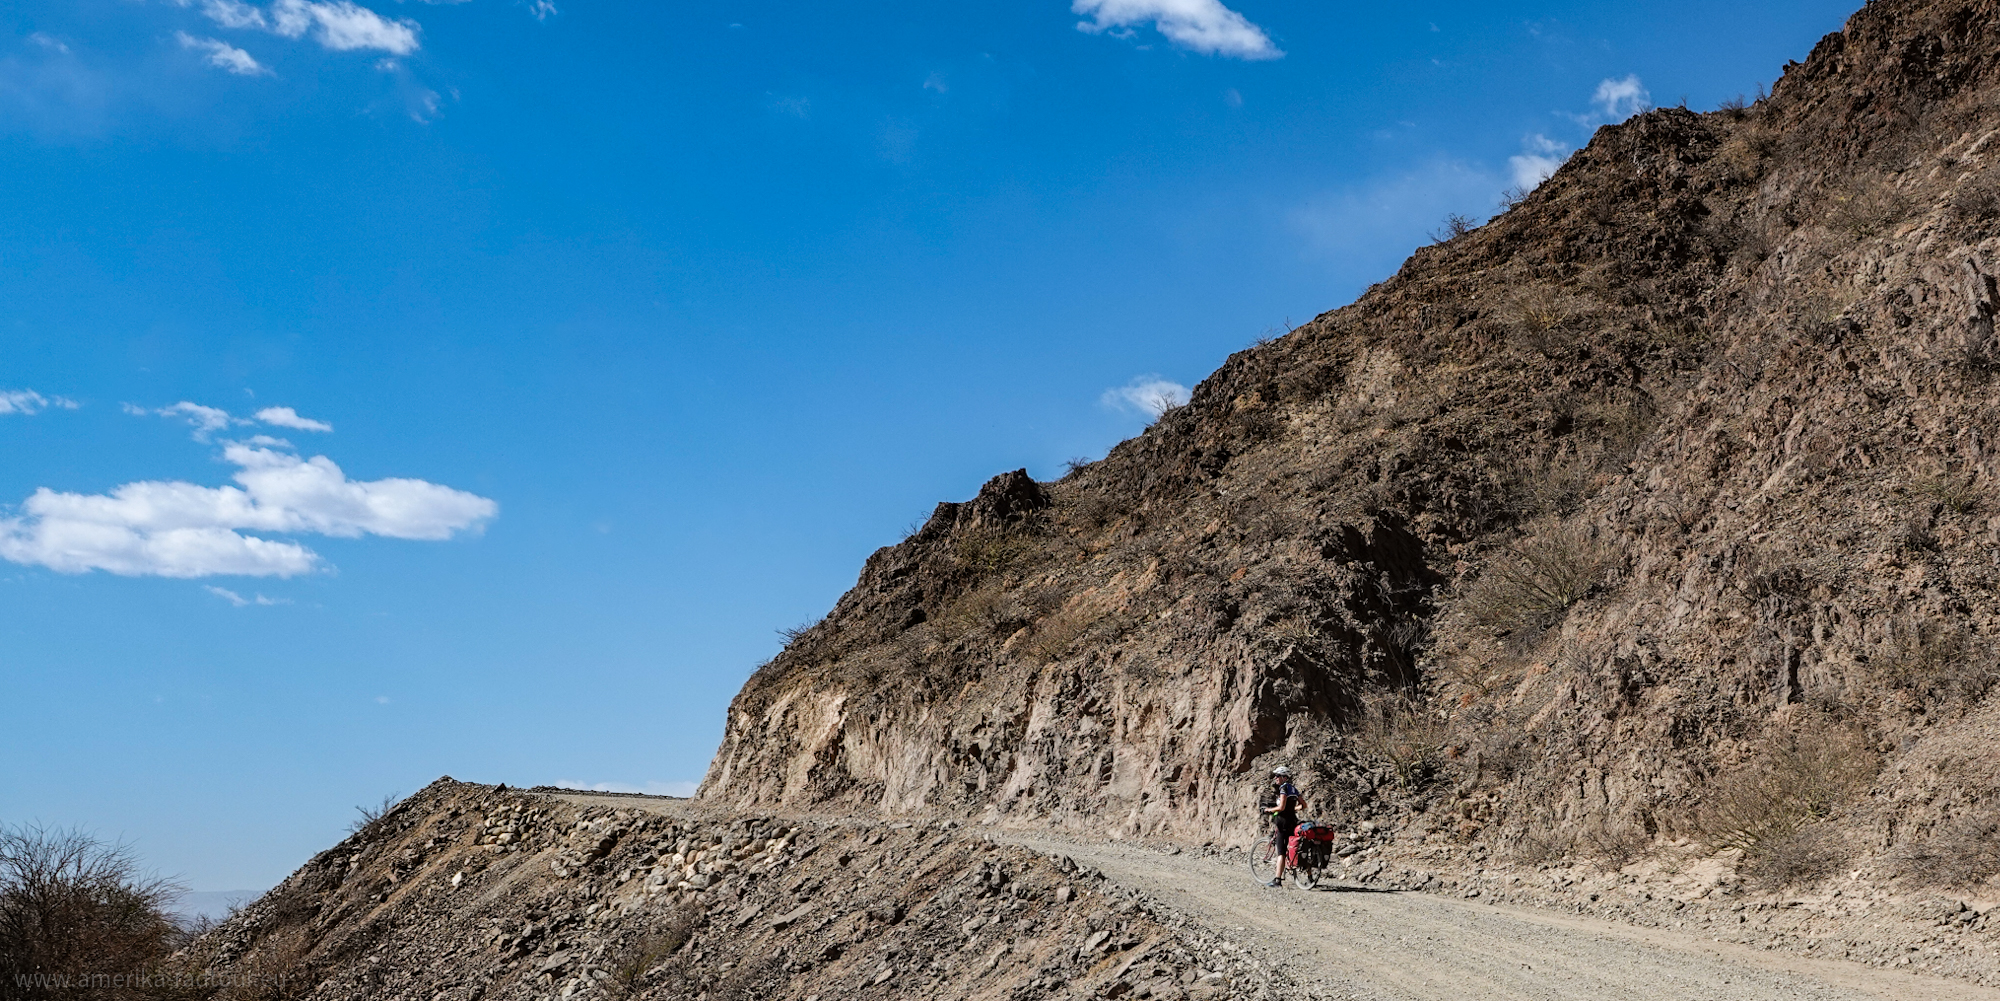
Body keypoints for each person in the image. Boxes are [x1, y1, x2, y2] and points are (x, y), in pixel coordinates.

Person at [1263, 766, 1302, 888]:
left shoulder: (1283, 788)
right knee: (1294, 845)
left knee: (1281, 852)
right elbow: (1303, 805)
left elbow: (1281, 808)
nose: (1276, 778)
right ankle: (1309, 876)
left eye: (1278, 776)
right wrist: (1293, 809)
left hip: (1283, 822)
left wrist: (1269, 809)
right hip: (1293, 821)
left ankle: (1277, 880)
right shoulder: (1294, 789)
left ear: (1285, 777)